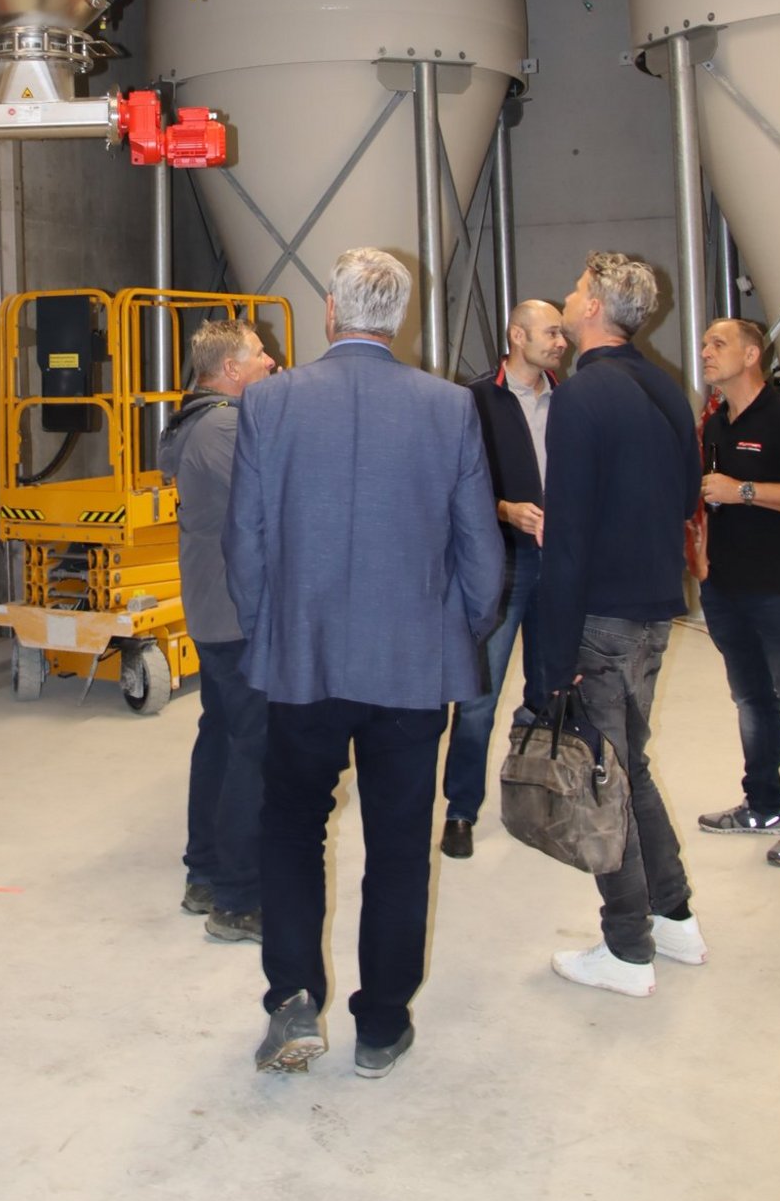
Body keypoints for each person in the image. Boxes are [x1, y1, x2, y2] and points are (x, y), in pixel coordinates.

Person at [224, 247, 503, 1080]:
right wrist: (457, 633)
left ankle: (292, 997)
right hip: (412, 666)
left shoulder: (270, 401)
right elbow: (481, 555)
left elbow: (245, 542)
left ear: (329, 309)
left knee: (291, 825)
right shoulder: (449, 405)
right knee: (399, 842)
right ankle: (381, 1024)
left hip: (302, 660)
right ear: (400, 315)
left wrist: (269, 632)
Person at [538, 251, 705, 998]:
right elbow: (686, 495)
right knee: (628, 765)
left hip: (601, 616)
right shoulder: (665, 387)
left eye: (577, 288)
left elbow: (568, 536)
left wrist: (553, 654)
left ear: (595, 308)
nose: (568, 295)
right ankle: (674, 917)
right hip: (654, 607)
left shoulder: (580, 396)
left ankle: (628, 948)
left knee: (604, 781)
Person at [696, 317, 780, 865]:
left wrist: (745, 491)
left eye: (718, 343)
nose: (706, 351)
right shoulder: (716, 424)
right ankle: (761, 805)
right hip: (726, 588)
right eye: (704, 343)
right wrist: (703, 559)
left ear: (752, 355)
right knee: (751, 698)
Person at [158, 318, 276, 942]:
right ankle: (238, 899)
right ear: (230, 369)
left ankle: (204, 873)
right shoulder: (224, 429)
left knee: (223, 738)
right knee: (253, 750)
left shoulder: (198, 422)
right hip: (238, 613)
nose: (271, 361)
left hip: (215, 606)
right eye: (259, 353)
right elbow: (276, 507)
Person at [440, 300, 568, 858]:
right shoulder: (473, 401)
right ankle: (460, 811)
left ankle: (532, 799)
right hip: (501, 564)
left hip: (559, 566)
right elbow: (451, 484)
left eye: (562, 333)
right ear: (517, 335)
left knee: (548, 691)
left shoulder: (569, 400)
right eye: (550, 333)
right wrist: (504, 510)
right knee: (478, 698)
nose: (561, 342)